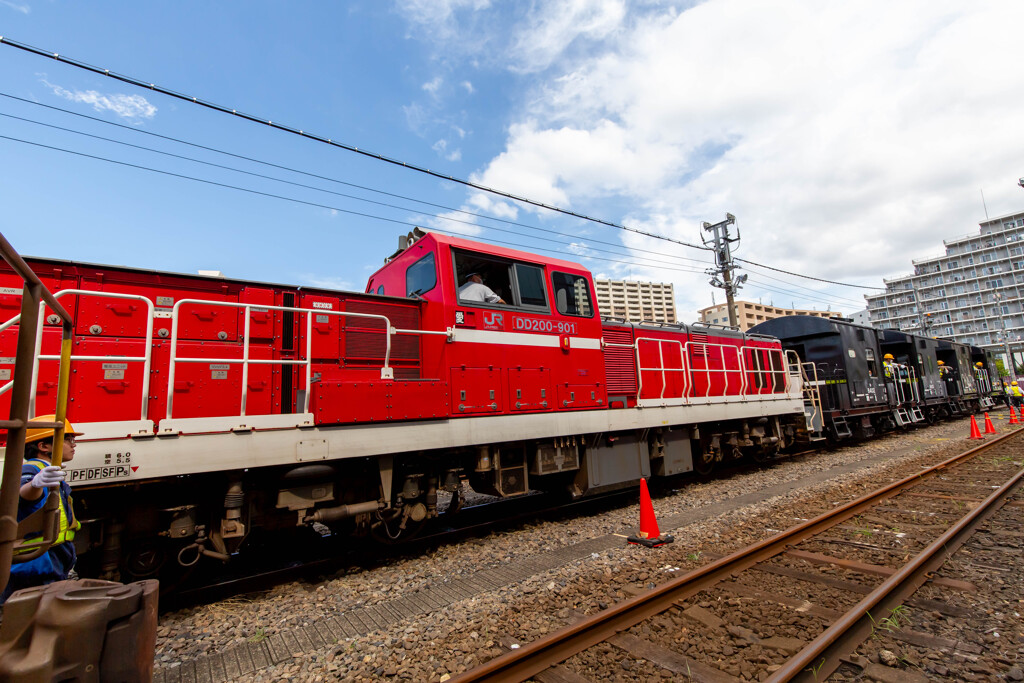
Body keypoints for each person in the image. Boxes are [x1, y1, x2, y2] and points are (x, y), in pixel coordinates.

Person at [1, 415, 83, 603]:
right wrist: (35, 485)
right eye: (68, 439)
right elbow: (22, 494)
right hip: (35, 562)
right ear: (43, 446)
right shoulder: (32, 469)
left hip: (47, 558)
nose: (74, 445)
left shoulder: (48, 471)